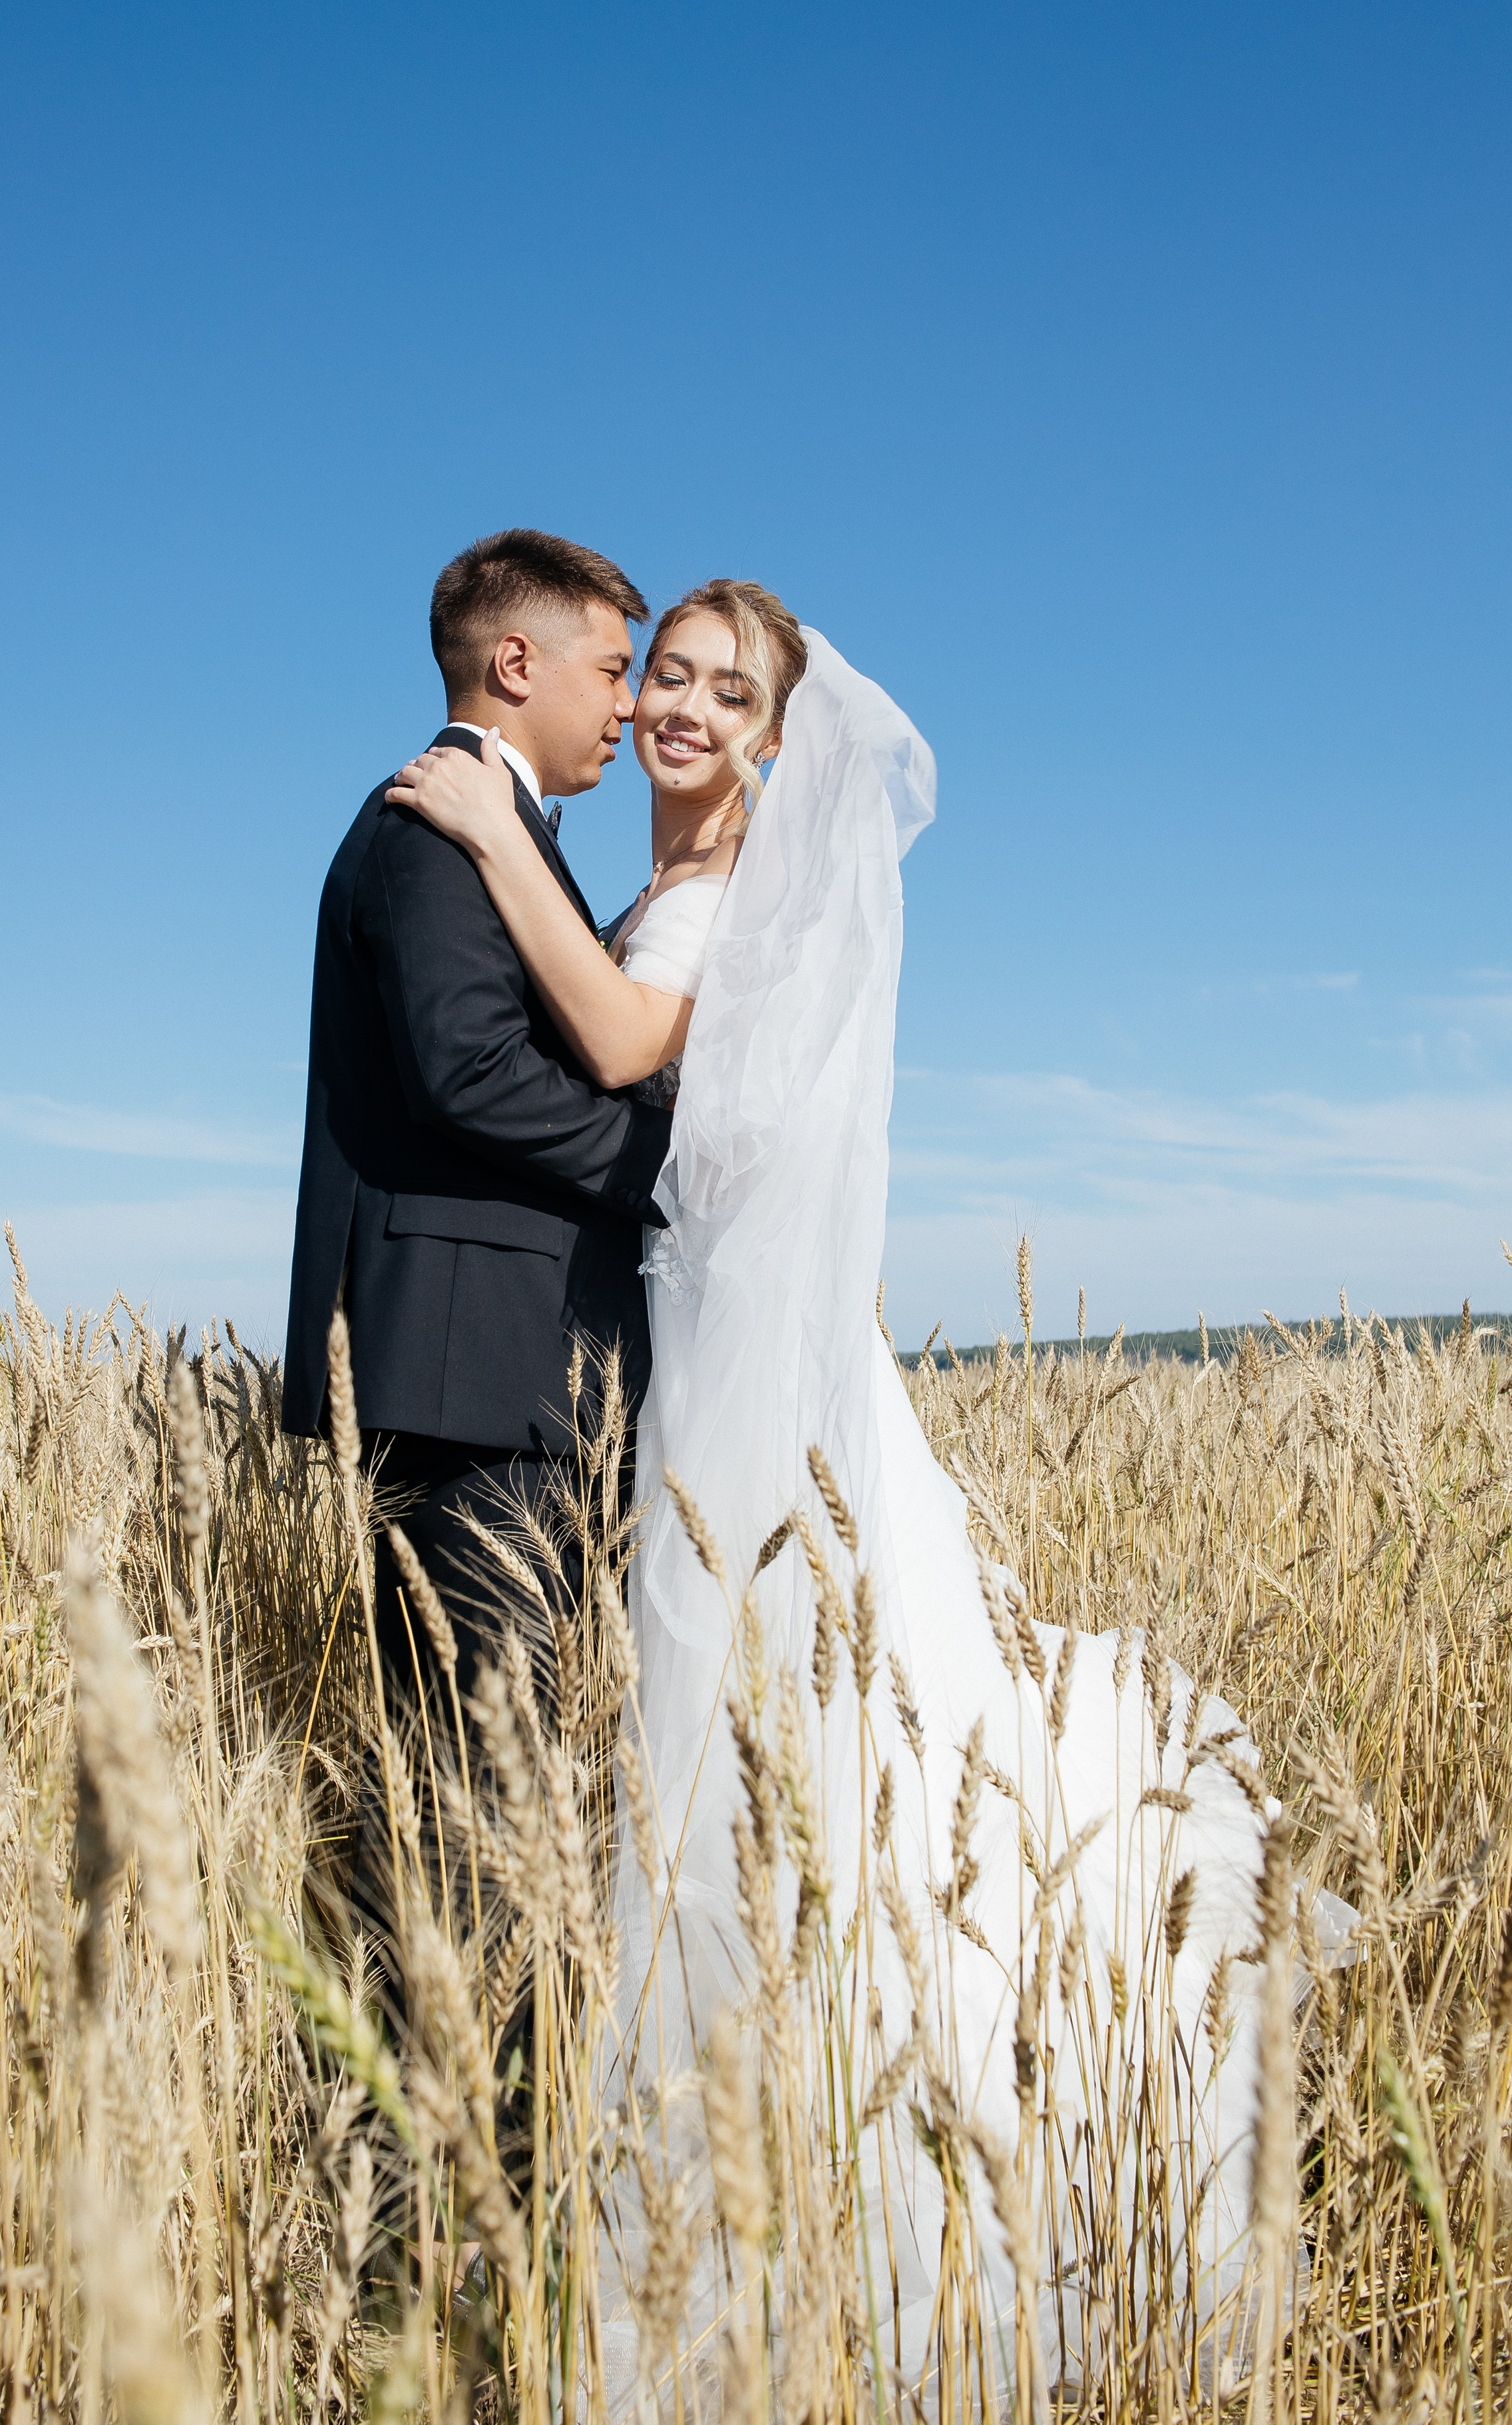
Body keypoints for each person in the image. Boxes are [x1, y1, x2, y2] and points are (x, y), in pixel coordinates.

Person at [387, 584, 1325, 2404]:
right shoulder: (681, 883)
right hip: (696, 1356)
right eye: (662, 668)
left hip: (748, 1382)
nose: (678, 703)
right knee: (730, 1770)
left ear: (774, 741)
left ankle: (831, 2213)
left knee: (770, 1759)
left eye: (725, 692)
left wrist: (500, 831)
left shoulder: (715, 890)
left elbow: (630, 1050)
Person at [281, 528, 674, 1701]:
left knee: (513, 1753)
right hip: (469, 1372)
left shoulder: (492, 833)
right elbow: (469, 1070)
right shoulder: (431, 826)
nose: (630, 704)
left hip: (518, 1372)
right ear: (515, 662)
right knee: (477, 1770)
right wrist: (668, 1170)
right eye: (611, 669)